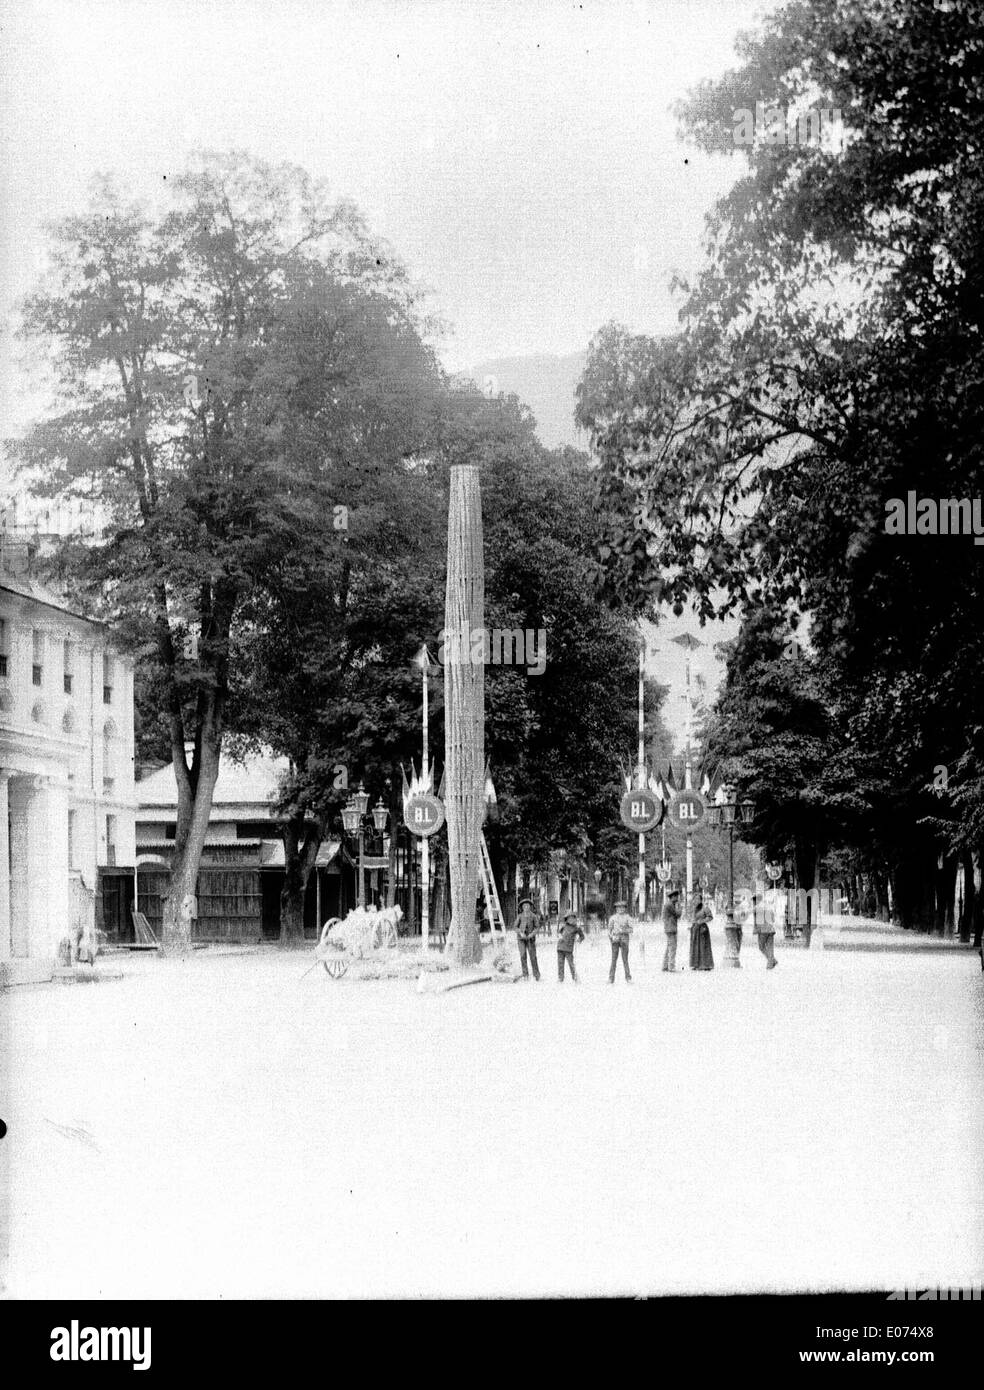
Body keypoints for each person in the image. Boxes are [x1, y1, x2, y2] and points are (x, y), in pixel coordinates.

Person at [514, 896, 542, 981]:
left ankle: (536, 975)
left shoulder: (533, 916)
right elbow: (515, 927)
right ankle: (525, 974)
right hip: (521, 939)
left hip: (530, 939)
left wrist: (532, 934)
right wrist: (520, 933)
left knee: (532, 956)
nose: (526, 907)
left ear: (530, 907)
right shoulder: (519, 916)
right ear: (522, 907)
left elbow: (537, 927)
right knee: (523, 955)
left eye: (528, 906)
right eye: (524, 906)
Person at [607, 898, 634, 983]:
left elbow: (631, 929)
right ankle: (611, 978)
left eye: (622, 907)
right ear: (616, 909)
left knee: (625, 959)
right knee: (613, 959)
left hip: (624, 940)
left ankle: (628, 978)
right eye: (618, 908)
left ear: (625, 908)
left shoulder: (628, 918)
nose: (620, 909)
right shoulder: (612, 918)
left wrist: (623, 930)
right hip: (615, 940)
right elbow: (609, 930)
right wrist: (611, 937)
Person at [556, 910, 584, 982]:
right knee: (560, 963)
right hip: (560, 947)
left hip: (569, 948)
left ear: (575, 919)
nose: (571, 920)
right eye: (569, 918)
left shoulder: (576, 928)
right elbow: (558, 933)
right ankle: (560, 978)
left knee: (571, 963)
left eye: (572, 918)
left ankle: (575, 977)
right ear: (566, 919)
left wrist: (579, 940)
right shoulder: (563, 926)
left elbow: (582, 936)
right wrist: (559, 936)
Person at [688, 893, 715, 971]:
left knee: (703, 946)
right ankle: (696, 964)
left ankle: (705, 964)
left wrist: (702, 921)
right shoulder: (694, 909)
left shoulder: (705, 908)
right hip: (695, 929)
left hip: (703, 929)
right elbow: (693, 918)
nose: (696, 901)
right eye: (695, 899)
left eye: (698, 899)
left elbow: (710, 917)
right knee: (695, 946)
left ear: (701, 900)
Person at [752, 892, 778, 969]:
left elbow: (756, 921)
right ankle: (770, 963)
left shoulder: (756, 908)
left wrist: (755, 930)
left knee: (761, 947)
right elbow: (773, 919)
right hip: (771, 929)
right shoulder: (769, 906)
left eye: (753, 900)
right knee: (770, 947)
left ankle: (772, 960)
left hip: (763, 930)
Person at [662, 887, 682, 971]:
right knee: (672, 947)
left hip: (669, 928)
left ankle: (665, 965)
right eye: (676, 896)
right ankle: (671, 966)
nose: (677, 898)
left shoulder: (669, 904)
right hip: (671, 928)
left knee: (669, 947)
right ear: (672, 897)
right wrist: (680, 907)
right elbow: (677, 914)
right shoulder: (670, 905)